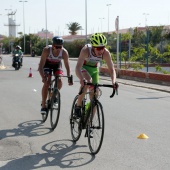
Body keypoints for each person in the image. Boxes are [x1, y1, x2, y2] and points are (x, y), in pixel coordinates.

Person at [75, 33, 117, 117]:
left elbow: (112, 70)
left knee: (95, 95)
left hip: (94, 70)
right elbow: (77, 68)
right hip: (83, 68)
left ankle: (89, 123)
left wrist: (114, 82)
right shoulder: (85, 50)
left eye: (103, 48)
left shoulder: (106, 53)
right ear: (93, 47)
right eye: (98, 48)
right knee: (88, 81)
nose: (101, 51)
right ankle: (78, 105)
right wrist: (81, 79)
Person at [39, 36, 73, 114]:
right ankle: (43, 105)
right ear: (53, 45)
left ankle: (54, 95)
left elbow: (67, 66)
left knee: (60, 80)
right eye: (56, 47)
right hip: (47, 65)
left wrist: (69, 77)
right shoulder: (46, 50)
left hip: (57, 65)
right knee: (47, 82)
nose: (58, 49)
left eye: (60, 47)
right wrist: (43, 77)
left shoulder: (64, 52)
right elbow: (41, 66)